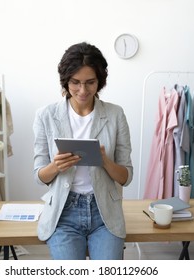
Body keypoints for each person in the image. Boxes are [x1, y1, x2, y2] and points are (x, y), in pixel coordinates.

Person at [33, 42, 133, 260]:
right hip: (63, 213)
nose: (83, 90)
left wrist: (105, 161)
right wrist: (55, 166)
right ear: (66, 81)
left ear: (100, 81)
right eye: (75, 83)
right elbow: (39, 176)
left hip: (104, 212)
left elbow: (126, 177)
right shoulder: (46, 116)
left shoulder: (115, 115)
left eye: (90, 83)